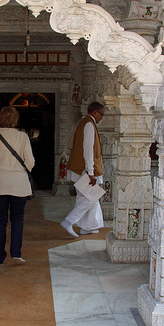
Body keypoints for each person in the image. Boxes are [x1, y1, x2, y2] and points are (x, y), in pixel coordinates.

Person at [0, 106, 35, 265]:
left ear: (0, 118)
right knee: (18, 219)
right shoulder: (23, 137)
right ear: (15, 120)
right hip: (19, 185)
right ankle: (16, 253)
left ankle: (0, 255)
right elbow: (30, 163)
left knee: (0, 220)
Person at [60, 101, 106, 237]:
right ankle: (69, 221)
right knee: (89, 198)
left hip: (82, 169)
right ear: (94, 112)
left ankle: (88, 227)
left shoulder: (84, 122)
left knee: (88, 198)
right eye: (101, 114)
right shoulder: (88, 125)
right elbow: (88, 150)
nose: (101, 118)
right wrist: (90, 172)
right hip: (84, 170)